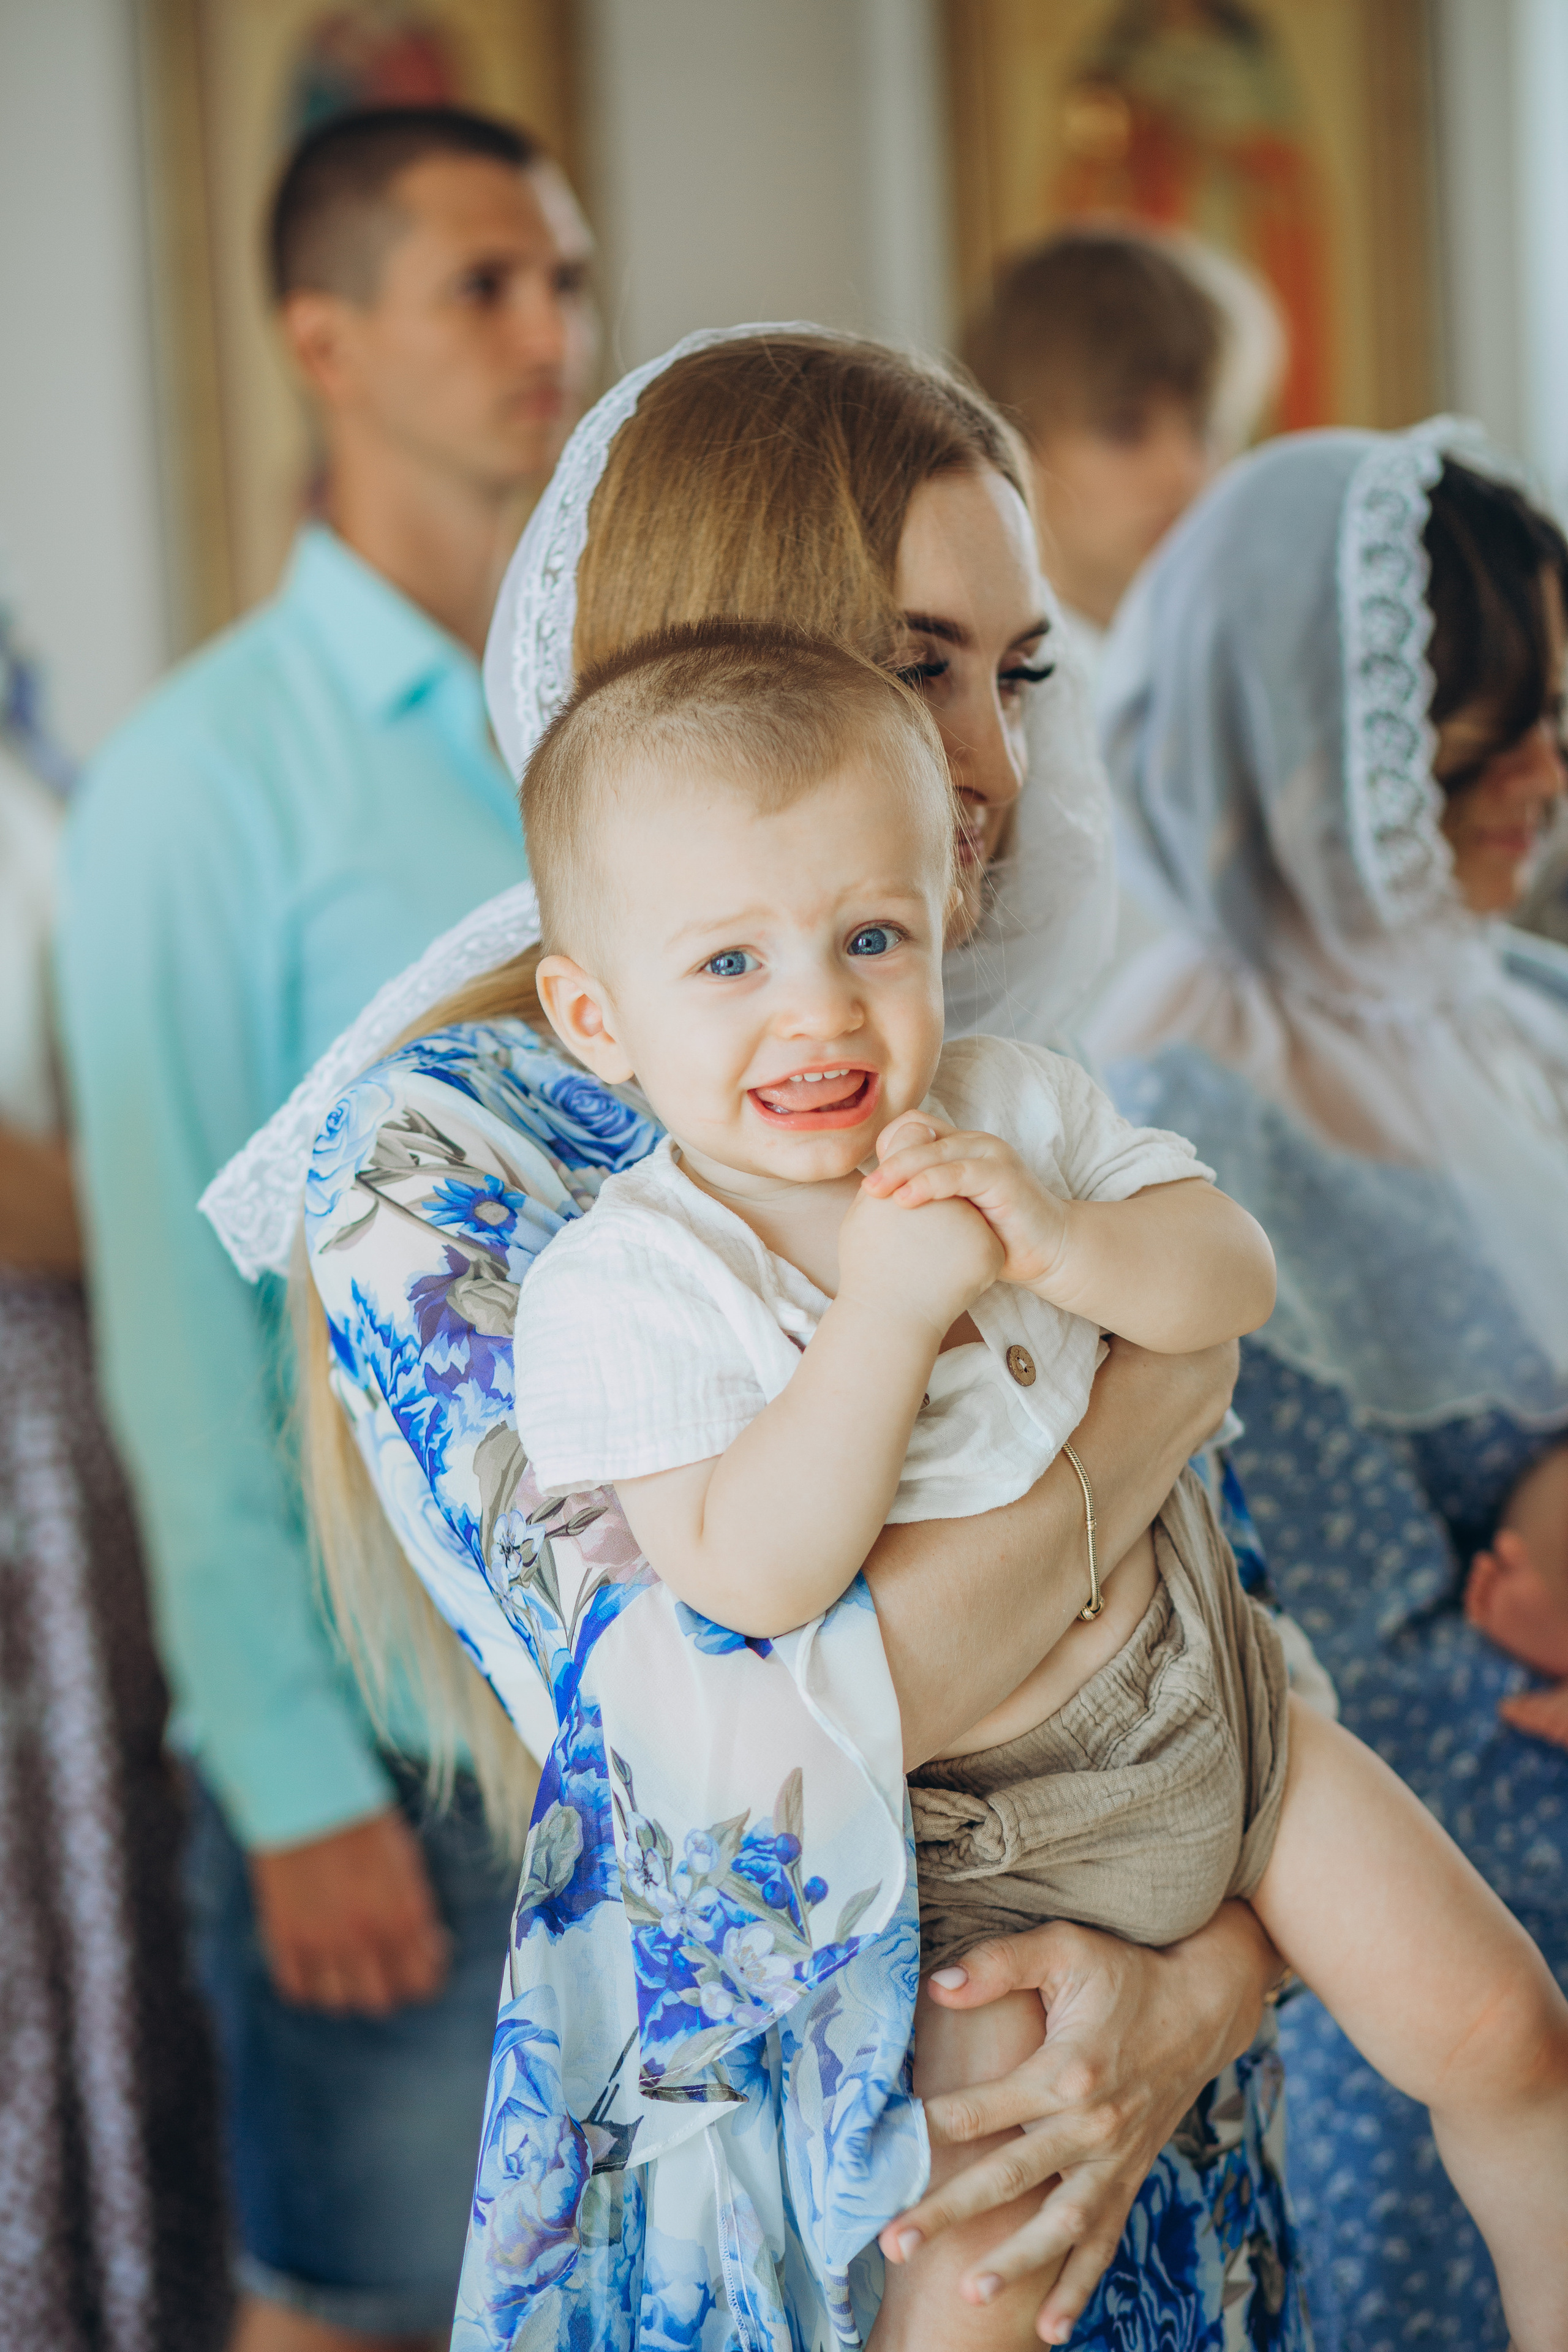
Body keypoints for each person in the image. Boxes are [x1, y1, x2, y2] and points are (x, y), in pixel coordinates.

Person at [207, 330, 1316, 2350]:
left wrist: (1218, 1975)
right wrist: (1145, 1406)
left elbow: (1219, 1625)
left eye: (1018, 671)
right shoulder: (445, 1157)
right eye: (916, 662)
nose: (988, 760)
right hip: (809, 2202)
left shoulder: (971, 1065)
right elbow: (745, 1750)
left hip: (1147, 2099)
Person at [510, 617, 1568, 2346]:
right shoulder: (630, 1286)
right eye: (729, 967)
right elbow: (753, 1574)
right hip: (986, 1849)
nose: (820, 1012)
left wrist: (1064, 1239)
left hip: (1217, 1705)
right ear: (594, 1014)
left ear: (951, 920)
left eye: (872, 937)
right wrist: (886, 1311)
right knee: (986, 2277)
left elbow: (1228, 1284)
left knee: (1510, 2038)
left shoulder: (1015, 1105)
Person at [56, 104, 595, 2352]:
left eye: (563, 277)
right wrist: (286, 1779)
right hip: (388, 1732)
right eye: (483, 284)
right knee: (362, 2315)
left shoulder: (620, 716)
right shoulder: (202, 778)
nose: (549, 333)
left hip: (655, 1694)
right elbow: (182, 1326)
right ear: (321, 336)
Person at [1087, 424, 1568, 2348]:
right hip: (1447, 1981)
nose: (1544, 771)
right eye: (1495, 726)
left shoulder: (1523, 1008)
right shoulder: (1181, 1133)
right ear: (1318, 749)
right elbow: (1340, 1681)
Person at [1, 607, 228, 2346]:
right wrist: (148, 1198)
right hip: (32, 1408)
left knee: (92, 1946)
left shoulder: (41, 760)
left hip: (69, 1440)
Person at [962, 226, 1282, 676]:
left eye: (1206, 426)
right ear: (1012, 443)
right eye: (1124, 428)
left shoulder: (1254, 662)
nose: (1186, 471)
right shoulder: (976, 697)